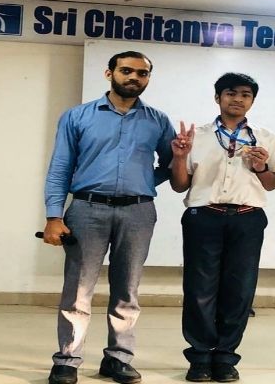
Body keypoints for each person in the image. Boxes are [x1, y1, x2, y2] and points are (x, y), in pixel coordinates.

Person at [41, 51, 175, 384]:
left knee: (127, 288)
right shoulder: (78, 116)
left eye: (142, 73)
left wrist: (143, 182)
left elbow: (172, 164)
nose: (134, 77)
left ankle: (118, 358)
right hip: (87, 209)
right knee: (78, 290)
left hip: (138, 212)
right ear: (109, 73)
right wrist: (54, 215)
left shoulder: (158, 120)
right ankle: (67, 360)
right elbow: (60, 167)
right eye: (126, 70)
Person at [169, 72, 275, 382]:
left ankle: (226, 357)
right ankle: (200, 357)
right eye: (231, 93)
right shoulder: (196, 136)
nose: (238, 99)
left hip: (248, 218)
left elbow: (272, 183)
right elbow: (179, 185)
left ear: (252, 101)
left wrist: (261, 167)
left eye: (245, 94)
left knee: (240, 290)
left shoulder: (267, 137)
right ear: (217, 97)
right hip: (204, 216)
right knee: (199, 289)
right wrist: (179, 157)